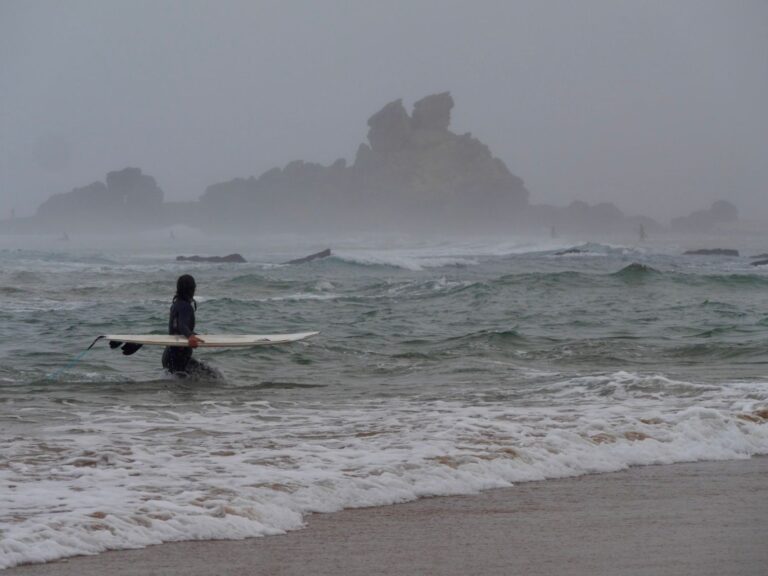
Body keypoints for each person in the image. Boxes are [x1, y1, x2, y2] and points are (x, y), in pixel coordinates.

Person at [162, 274, 211, 376]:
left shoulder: (175, 305)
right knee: (214, 376)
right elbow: (182, 325)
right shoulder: (186, 307)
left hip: (168, 357)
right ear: (193, 289)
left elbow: (177, 329)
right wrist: (191, 336)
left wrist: (195, 335)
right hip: (179, 359)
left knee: (179, 389)